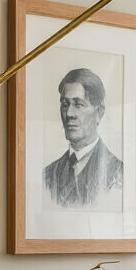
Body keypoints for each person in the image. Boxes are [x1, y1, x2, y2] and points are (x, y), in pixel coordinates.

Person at [43, 68, 123, 208]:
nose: (69, 114)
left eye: (79, 105)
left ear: (99, 112)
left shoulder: (118, 173)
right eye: (65, 105)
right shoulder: (48, 175)